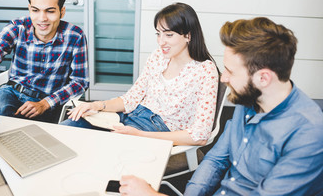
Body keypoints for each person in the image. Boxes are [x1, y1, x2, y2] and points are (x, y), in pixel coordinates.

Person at [119, 17, 323, 196]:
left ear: (264, 78)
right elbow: (215, 161)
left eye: (230, 72)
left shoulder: (308, 134)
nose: (223, 79)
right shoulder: (249, 100)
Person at [61, 2, 219, 146]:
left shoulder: (205, 70)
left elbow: (200, 135)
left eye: (168, 35)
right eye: (158, 34)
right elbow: (131, 98)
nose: (161, 41)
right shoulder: (158, 56)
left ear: (188, 36)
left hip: (156, 130)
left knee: (94, 148)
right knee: (69, 127)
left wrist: (140, 135)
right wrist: (97, 105)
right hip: (131, 115)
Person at [0, 0, 89, 136]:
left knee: (38, 139)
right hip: (12, 92)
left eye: (50, 11)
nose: (42, 18)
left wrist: (46, 103)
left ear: (62, 11)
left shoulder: (75, 36)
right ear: (29, 9)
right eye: (35, 10)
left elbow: (80, 81)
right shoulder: (17, 27)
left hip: (48, 102)